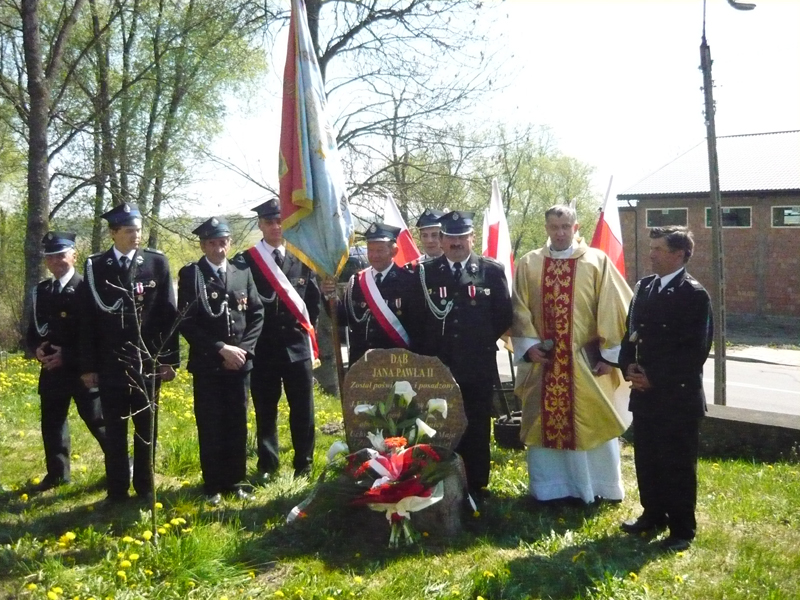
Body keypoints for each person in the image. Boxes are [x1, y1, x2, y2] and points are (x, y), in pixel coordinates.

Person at [511, 204, 632, 505]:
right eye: (554, 227)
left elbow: (614, 308)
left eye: (566, 226)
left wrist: (609, 355)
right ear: (546, 229)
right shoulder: (529, 263)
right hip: (545, 363)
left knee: (592, 420)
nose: (561, 232)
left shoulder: (596, 261)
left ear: (576, 227)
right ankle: (550, 488)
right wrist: (528, 346)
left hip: (585, 366)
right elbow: (518, 307)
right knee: (543, 422)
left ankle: (600, 487)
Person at [619, 226, 712, 552]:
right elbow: (630, 333)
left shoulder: (694, 294)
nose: (651, 254)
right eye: (651, 247)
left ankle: (682, 529)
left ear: (679, 254)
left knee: (676, 464)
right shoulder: (644, 288)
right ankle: (653, 514)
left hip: (676, 398)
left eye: (658, 249)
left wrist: (655, 376)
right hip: (644, 396)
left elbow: (694, 351)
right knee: (648, 459)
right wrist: (627, 366)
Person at [79, 203, 179, 504]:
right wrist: (88, 365)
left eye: (138, 229)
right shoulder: (96, 266)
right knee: (115, 427)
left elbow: (168, 314)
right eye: (129, 230)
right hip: (110, 362)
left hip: (146, 360)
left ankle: (146, 486)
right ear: (113, 233)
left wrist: (169, 359)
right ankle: (117, 489)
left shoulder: (156, 263)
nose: (136, 236)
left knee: (147, 425)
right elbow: (87, 320)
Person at [416, 210, 512, 499]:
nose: (456, 243)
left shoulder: (490, 271)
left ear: (472, 238)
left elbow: (503, 315)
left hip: (477, 364)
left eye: (462, 237)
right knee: (438, 424)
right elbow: (416, 318)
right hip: (439, 366)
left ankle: (477, 484)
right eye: (450, 237)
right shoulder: (425, 273)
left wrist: (478, 342)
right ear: (441, 240)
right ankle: (441, 482)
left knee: (477, 423)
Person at [232, 199, 320, 480]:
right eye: (270, 222)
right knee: (265, 409)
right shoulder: (245, 261)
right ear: (260, 225)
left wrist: (307, 337)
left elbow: (313, 303)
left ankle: (303, 463)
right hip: (263, 348)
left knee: (303, 408)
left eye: (280, 221)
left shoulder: (303, 257)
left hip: (297, 346)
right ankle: (268, 464)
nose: (276, 226)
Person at [178, 217, 263, 504]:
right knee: (211, 423)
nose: (219, 249)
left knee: (237, 423)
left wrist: (244, 352)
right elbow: (187, 323)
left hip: (240, 364)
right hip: (209, 364)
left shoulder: (242, 272)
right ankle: (213, 485)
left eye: (223, 242)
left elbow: (256, 314)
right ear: (203, 245)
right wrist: (220, 349)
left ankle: (237, 481)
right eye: (212, 243)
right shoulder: (192, 275)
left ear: (230, 243)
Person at [26, 232, 107, 491]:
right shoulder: (42, 290)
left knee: (97, 421)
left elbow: (94, 333)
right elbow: (34, 330)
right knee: (52, 424)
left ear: (74, 255)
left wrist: (67, 356)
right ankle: (57, 474)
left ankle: (121, 465)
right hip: (51, 370)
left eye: (61, 255)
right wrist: (36, 349)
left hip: (81, 368)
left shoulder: (87, 288)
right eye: (51, 256)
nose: (56, 261)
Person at [322, 222, 422, 365]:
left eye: (380, 250)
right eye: (370, 250)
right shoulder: (357, 282)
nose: (374, 255)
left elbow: (418, 328)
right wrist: (329, 295)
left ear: (394, 251)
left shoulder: (409, 281)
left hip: (397, 363)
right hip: (363, 363)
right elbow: (342, 319)